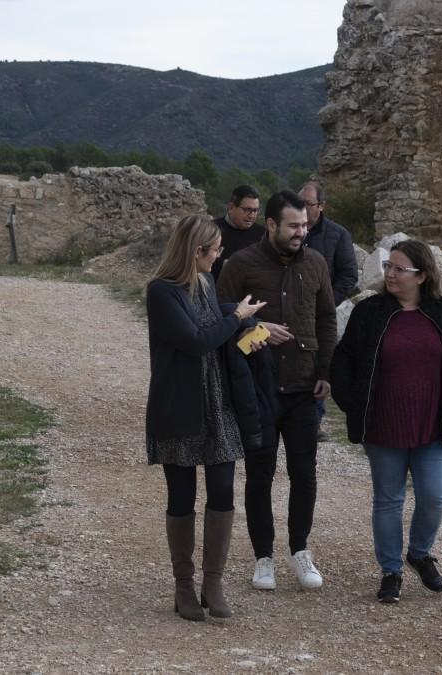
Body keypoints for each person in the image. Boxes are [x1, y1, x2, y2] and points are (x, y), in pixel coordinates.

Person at [330, 240, 442, 603]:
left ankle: (419, 552)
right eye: (388, 267)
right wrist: (355, 406)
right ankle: (391, 571)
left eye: (400, 269)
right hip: (383, 425)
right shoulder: (370, 312)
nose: (390, 274)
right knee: (388, 500)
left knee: (434, 497)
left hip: (432, 424)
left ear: (422, 275)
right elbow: (344, 361)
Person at [145, 214, 267, 621]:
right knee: (181, 496)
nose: (220, 255)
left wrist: (244, 316)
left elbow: (211, 320)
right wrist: (234, 318)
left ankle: (212, 583)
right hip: (179, 405)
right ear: (196, 251)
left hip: (218, 403)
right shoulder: (161, 292)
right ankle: (183, 586)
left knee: (222, 490)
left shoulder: (206, 282)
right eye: (215, 250)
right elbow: (198, 340)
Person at [217, 189, 337, 591]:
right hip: (259, 389)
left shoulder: (317, 264)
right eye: (293, 225)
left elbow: (326, 321)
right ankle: (262, 557)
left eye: (305, 225)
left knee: (304, 474)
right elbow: (219, 318)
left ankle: (300, 551)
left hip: (305, 388)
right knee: (259, 475)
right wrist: (258, 330)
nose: (301, 231)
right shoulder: (240, 265)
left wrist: (326, 372)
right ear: (271, 225)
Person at [299, 181, 358, 440]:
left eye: (307, 204)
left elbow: (348, 274)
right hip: (287, 309)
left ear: (321, 206)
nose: (301, 209)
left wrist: (327, 303)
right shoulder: (288, 230)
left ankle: (315, 419)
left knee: (319, 360)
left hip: (319, 312)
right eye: (298, 203)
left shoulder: (337, 235)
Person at [211, 185, 265, 280]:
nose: (252, 215)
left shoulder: (262, 234)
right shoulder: (211, 230)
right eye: (247, 210)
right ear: (231, 207)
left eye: (255, 210)